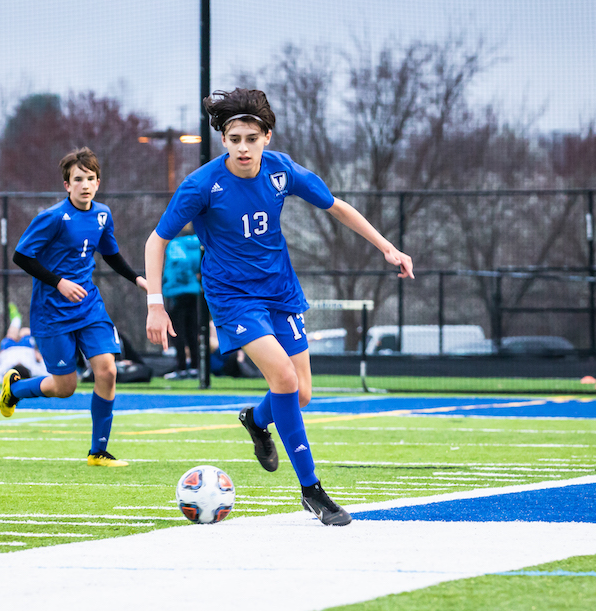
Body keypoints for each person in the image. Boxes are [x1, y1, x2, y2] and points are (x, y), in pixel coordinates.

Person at [145, 88, 414, 526]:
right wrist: (156, 304)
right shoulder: (201, 186)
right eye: (235, 139)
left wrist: (388, 248)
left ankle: (255, 419)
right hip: (233, 297)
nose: (244, 147)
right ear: (224, 141)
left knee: (300, 392)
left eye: (252, 138)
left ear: (266, 137)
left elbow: (337, 207)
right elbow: (156, 240)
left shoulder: (281, 171)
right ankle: (312, 491)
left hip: (281, 291)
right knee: (285, 378)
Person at [0, 147, 148, 467]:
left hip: (89, 306)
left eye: (91, 179)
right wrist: (59, 282)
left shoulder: (103, 214)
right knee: (65, 387)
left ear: (98, 182)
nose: (85, 185)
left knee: (107, 370)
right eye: (78, 179)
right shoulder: (52, 218)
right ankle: (16, 389)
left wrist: (137, 279)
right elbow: (22, 256)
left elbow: (110, 254)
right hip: (51, 311)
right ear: (67, 185)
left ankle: (98, 451)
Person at [161, 226, 202, 379]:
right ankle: (196, 367)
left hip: (177, 291)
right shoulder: (198, 243)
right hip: (193, 290)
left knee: (176, 331)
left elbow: (181, 262)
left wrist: (181, 279)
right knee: (192, 329)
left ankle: (181, 368)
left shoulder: (176, 244)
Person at [0, 303, 50, 381]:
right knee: (25, 331)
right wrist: (39, 356)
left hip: (8, 349)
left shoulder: (3, 373)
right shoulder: (35, 371)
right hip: (26, 348)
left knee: (11, 333)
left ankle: (16, 319)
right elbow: (47, 371)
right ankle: (20, 320)